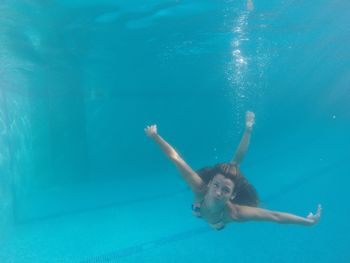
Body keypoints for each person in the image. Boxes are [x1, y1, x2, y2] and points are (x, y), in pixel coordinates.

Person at [144, 111, 321, 231]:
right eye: (216, 185)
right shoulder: (200, 188)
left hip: (219, 223)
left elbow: (274, 216)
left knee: (235, 164)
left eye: (226, 190)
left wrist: (307, 221)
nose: (218, 192)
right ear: (210, 182)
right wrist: (155, 136)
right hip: (206, 214)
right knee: (234, 164)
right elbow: (176, 158)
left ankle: (248, 129)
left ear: (233, 195)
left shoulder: (235, 213)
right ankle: (249, 129)